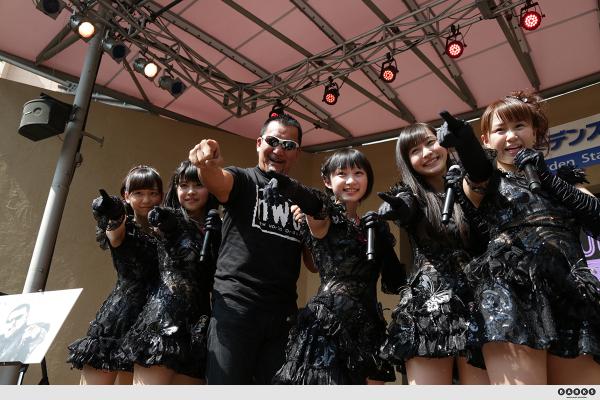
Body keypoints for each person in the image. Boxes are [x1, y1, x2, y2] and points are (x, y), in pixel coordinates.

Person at [436, 90, 600, 384]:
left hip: (571, 294)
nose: (511, 136)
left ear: (535, 132)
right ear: (487, 140)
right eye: (500, 130)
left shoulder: (564, 180)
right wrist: (465, 143)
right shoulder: (483, 180)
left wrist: (548, 178)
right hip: (511, 295)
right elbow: (477, 173)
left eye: (519, 126)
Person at [188, 114, 314, 384]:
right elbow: (216, 180)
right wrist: (206, 163)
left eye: (288, 145)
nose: (279, 150)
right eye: (272, 141)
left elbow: (313, 264)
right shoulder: (243, 179)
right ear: (259, 143)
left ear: (297, 153)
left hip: (282, 318)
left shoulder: (301, 197)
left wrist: (312, 227)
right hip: (236, 309)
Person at [269, 148, 404, 384]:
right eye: (342, 174)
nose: (351, 181)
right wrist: (290, 187)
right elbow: (313, 204)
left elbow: (395, 282)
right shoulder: (323, 218)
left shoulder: (373, 227)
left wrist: (382, 238)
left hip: (369, 327)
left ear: (368, 179)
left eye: (358, 173)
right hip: (329, 324)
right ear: (327, 181)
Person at [376, 123, 490, 385]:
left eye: (430, 143)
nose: (426, 153)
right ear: (408, 162)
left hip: (478, 300)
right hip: (431, 305)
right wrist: (397, 209)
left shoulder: (472, 183)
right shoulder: (410, 194)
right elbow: (406, 207)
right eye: (415, 151)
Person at [116, 160, 221, 384]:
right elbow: (165, 221)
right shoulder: (169, 218)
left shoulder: (219, 226)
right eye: (184, 185)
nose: (190, 192)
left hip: (199, 325)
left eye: (198, 185)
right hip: (164, 319)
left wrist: (219, 235)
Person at [67, 165, 163, 385]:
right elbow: (114, 234)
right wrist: (114, 212)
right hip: (117, 319)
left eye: (153, 193)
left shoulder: (166, 230)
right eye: (138, 193)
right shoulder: (122, 226)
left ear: (162, 195)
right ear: (126, 196)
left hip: (149, 323)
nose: (146, 199)